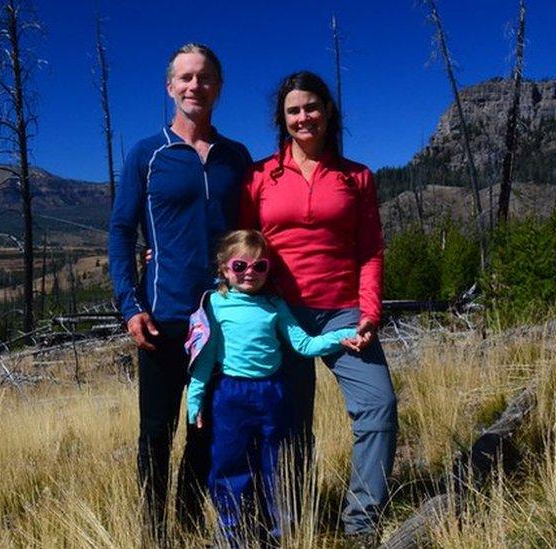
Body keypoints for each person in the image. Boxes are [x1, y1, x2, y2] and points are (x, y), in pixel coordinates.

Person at [239, 70, 398, 541]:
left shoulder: (357, 177)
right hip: (281, 315)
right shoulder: (260, 177)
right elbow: (242, 248)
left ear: (328, 112)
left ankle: (361, 523)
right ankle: (295, 523)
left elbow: (370, 249)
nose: (304, 116)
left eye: (312, 107)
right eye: (294, 110)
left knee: (379, 407)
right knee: (288, 424)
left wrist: (370, 311)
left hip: (344, 313)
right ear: (282, 119)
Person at [107, 43, 252, 541]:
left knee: (205, 429)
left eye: (205, 77)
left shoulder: (237, 158)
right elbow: (122, 230)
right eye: (186, 78)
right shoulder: (148, 154)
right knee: (156, 433)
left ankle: (189, 526)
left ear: (219, 87)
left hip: (222, 318)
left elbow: (250, 236)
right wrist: (130, 305)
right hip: (163, 316)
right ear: (170, 87)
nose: (196, 86)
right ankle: (153, 532)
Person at [185, 230, 358, 546]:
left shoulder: (275, 305)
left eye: (259, 266)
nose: (249, 272)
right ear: (224, 268)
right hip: (230, 396)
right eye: (240, 266)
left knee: (274, 466)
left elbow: (304, 344)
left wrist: (341, 335)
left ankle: (280, 533)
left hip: (272, 395)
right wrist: (195, 399)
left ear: (268, 269)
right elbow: (204, 358)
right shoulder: (214, 305)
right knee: (228, 464)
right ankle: (231, 533)